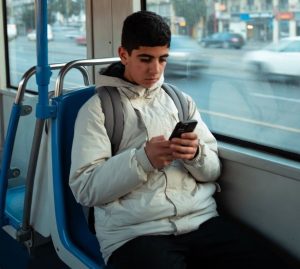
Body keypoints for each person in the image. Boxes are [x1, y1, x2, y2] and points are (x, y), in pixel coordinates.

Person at [69, 10, 288, 269]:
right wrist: (143, 159)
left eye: (163, 59)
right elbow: (85, 189)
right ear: (124, 54)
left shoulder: (180, 101)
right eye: (145, 59)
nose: (155, 69)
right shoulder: (98, 109)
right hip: (134, 233)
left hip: (200, 220)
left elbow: (212, 172)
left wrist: (196, 156)